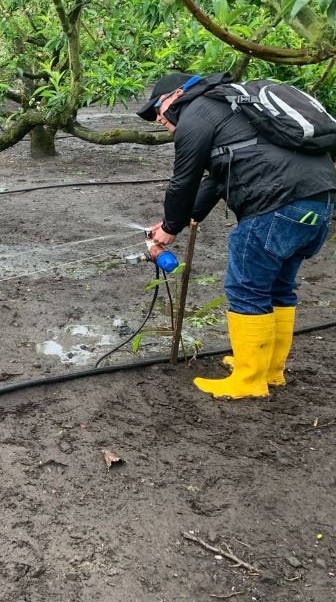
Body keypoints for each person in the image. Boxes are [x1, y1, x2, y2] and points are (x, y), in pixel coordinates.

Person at [137, 72, 336, 399]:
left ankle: (248, 381)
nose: (158, 118)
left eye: (158, 109)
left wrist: (170, 229)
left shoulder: (196, 113)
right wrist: (183, 219)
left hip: (276, 203)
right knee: (278, 286)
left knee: (246, 287)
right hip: (319, 201)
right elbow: (216, 180)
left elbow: (183, 181)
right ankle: (269, 370)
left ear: (176, 95)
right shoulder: (232, 107)